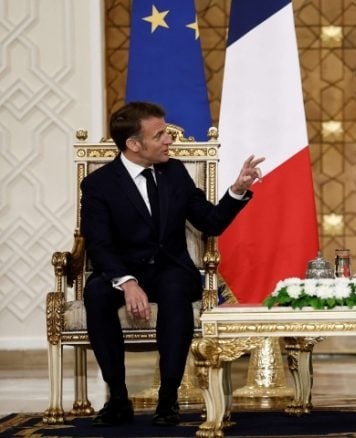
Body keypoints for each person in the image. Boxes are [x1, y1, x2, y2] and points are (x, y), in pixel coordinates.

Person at [80, 101, 264, 427]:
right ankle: (118, 399)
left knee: (175, 289)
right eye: (160, 135)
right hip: (122, 270)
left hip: (170, 268)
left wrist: (237, 190)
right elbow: (98, 244)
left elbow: (210, 222)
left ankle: (168, 399)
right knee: (95, 294)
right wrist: (127, 282)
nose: (169, 140)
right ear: (134, 144)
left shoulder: (175, 172)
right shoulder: (99, 185)